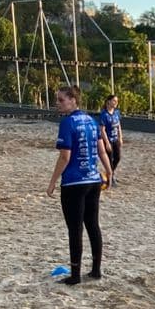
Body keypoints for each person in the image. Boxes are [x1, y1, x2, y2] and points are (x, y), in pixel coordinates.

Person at [47, 85, 112, 285]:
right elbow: (101, 150)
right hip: (93, 180)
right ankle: (96, 270)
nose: (58, 103)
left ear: (73, 100)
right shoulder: (91, 121)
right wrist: (109, 171)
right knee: (93, 225)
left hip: (74, 182)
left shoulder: (67, 123)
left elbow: (65, 157)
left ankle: (75, 275)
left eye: (61, 100)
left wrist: (52, 182)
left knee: (75, 229)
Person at [99, 93, 124, 184]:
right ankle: (110, 177)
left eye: (117, 101)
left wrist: (120, 137)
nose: (116, 102)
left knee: (118, 157)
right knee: (109, 159)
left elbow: (118, 125)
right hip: (108, 140)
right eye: (114, 101)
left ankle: (110, 173)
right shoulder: (104, 114)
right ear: (108, 102)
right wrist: (107, 143)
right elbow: (102, 130)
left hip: (115, 139)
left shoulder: (116, 112)